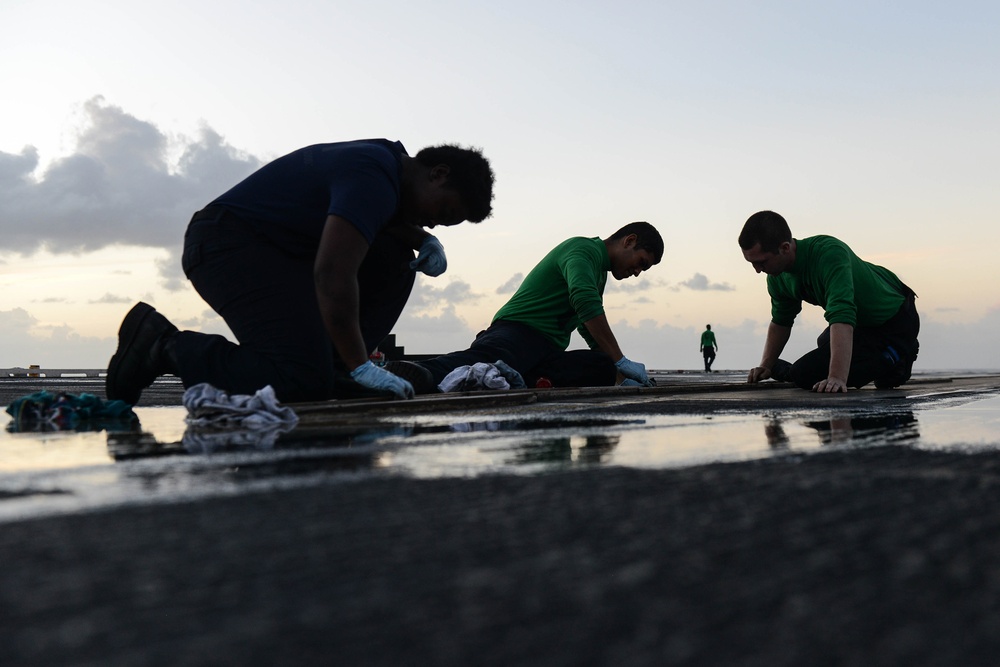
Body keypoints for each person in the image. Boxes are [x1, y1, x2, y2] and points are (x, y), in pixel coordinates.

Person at [106, 139, 495, 405]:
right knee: (300, 383)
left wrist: (420, 240)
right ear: (438, 174)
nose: (431, 224)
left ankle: (336, 368)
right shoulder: (373, 175)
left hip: (276, 251)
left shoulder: (387, 170)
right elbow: (332, 274)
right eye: (441, 214)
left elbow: (372, 220)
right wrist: (364, 364)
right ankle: (163, 344)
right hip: (226, 244)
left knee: (396, 254)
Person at [403, 222, 663, 391]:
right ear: (629, 241)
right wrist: (621, 359)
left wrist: (617, 372)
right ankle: (412, 374)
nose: (638, 272)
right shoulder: (582, 250)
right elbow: (585, 302)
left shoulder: (598, 273)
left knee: (599, 368)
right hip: (518, 333)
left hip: (545, 349)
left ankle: (516, 379)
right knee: (480, 361)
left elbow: (586, 324)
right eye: (641, 262)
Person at [739, 210, 919, 393]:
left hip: (896, 321)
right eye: (752, 263)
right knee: (825, 341)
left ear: (785, 248)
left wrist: (837, 378)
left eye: (761, 262)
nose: (757, 270)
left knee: (805, 374)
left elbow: (842, 315)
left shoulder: (828, 253)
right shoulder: (777, 277)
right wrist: (766, 365)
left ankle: (902, 352)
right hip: (862, 324)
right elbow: (781, 321)